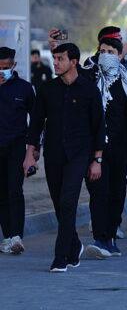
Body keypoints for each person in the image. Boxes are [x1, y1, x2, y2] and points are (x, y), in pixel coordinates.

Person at [24, 43, 106, 272]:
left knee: (68, 201)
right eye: (55, 58)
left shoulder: (89, 89)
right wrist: (31, 154)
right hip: (53, 155)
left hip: (80, 155)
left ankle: (61, 258)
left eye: (60, 58)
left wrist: (97, 160)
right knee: (60, 205)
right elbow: (37, 123)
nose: (56, 62)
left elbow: (99, 126)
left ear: (74, 61)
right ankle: (75, 244)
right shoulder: (47, 89)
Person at [78, 27, 127, 259]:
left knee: (117, 191)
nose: (106, 55)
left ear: (120, 55)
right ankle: (100, 238)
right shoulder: (90, 75)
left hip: (122, 147)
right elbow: (79, 74)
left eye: (111, 51)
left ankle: (110, 236)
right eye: (102, 51)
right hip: (94, 146)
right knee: (98, 191)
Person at [0, 47, 35, 254]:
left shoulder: (25, 88)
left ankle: (16, 236)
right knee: (1, 193)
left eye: (6, 67)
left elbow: (37, 119)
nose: (2, 71)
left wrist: (34, 149)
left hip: (16, 147)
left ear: (13, 65)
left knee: (15, 190)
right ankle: (7, 237)